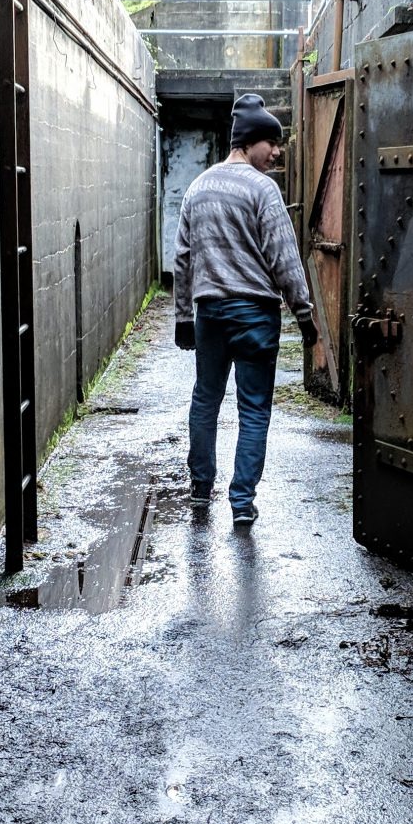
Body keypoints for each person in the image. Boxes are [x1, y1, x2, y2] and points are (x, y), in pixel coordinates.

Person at [173, 93, 318, 527]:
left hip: (211, 315)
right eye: (270, 144)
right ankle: (241, 502)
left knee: (206, 399)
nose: (276, 153)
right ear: (248, 141)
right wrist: (304, 313)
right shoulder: (262, 189)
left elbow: (183, 256)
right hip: (255, 313)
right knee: (254, 409)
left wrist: (184, 316)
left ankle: (201, 489)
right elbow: (283, 255)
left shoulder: (198, 188)